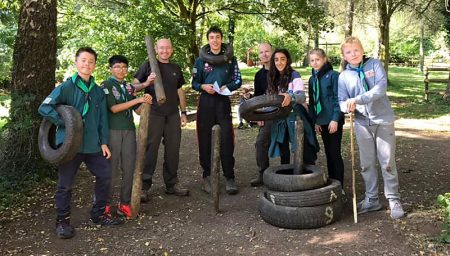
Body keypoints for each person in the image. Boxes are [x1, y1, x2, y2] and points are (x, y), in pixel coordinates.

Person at [38, 47, 122, 239]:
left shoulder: (98, 91)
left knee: (105, 175)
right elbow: (45, 107)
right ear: (76, 63)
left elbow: (102, 120)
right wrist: (66, 124)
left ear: (94, 65)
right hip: (70, 147)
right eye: (83, 60)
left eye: (91, 61)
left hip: (93, 144)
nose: (87, 64)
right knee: (65, 184)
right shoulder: (66, 87)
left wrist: (104, 142)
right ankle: (62, 221)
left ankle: (98, 214)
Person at [338, 36, 405, 219]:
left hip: (383, 120)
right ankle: (372, 199)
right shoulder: (343, 76)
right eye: (349, 52)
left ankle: (393, 199)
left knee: (387, 161)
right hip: (361, 123)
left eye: (356, 50)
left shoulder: (374, 64)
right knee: (367, 164)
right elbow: (342, 100)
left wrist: (357, 100)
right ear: (343, 55)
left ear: (362, 49)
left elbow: (380, 89)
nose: (353, 54)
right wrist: (346, 106)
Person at [133, 38, 189, 201]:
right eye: (161, 48)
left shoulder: (175, 68)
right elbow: (133, 86)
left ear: (171, 50)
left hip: (172, 114)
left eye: (167, 48)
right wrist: (146, 82)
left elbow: (180, 91)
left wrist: (183, 112)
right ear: (156, 49)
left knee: (173, 150)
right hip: (154, 113)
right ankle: (143, 186)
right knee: (150, 150)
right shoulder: (148, 65)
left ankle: (172, 184)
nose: (165, 51)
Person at [192, 26, 242, 195]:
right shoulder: (200, 61)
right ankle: (207, 177)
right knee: (204, 139)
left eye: (218, 37)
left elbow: (238, 80)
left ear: (221, 39)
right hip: (206, 103)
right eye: (212, 37)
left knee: (227, 139)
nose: (215, 40)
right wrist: (203, 86)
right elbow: (194, 83)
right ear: (208, 40)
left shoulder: (231, 59)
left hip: (223, 102)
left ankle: (230, 177)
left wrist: (227, 86)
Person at [101, 55, 152, 219]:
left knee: (129, 167)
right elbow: (114, 108)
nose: (121, 70)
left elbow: (136, 110)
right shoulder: (106, 85)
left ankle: (124, 203)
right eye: (117, 67)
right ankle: (106, 204)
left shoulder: (127, 87)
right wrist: (136, 99)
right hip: (113, 131)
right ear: (110, 69)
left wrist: (145, 102)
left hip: (129, 130)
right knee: (112, 169)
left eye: (124, 67)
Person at [267, 49, 319, 166]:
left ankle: (308, 175)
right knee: (283, 148)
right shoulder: (272, 77)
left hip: (296, 115)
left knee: (304, 147)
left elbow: (301, 96)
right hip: (280, 116)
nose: (279, 62)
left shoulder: (294, 75)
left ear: (287, 60)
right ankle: (286, 177)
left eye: (282, 59)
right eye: (276, 60)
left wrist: (290, 97)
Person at [250, 43, 290, 187]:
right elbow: (257, 97)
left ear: (272, 52)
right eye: (261, 52)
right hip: (267, 115)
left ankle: (286, 175)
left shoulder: (282, 71)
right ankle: (263, 174)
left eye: (267, 51)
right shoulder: (259, 75)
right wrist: (258, 116)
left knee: (284, 143)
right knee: (260, 143)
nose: (264, 54)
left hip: (284, 114)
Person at [308, 48, 345, 188]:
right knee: (328, 153)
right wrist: (315, 121)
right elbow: (312, 102)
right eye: (312, 60)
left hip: (333, 121)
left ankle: (339, 185)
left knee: (335, 152)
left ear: (324, 59)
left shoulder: (334, 75)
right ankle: (333, 182)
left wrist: (335, 119)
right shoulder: (312, 79)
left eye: (317, 59)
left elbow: (338, 99)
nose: (315, 62)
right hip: (321, 121)